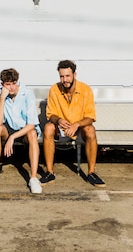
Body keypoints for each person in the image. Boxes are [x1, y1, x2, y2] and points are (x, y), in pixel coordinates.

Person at [40, 59, 105, 187]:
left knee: (90, 129)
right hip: (61, 129)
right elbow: (50, 114)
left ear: (74, 75)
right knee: (48, 128)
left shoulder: (85, 90)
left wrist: (76, 125)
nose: (65, 80)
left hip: (79, 128)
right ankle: (49, 172)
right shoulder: (54, 89)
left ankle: (91, 172)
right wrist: (58, 120)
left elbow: (90, 117)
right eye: (62, 76)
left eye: (68, 76)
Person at [0, 68, 42, 194]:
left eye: (14, 83)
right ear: (2, 84)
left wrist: (12, 137)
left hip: (25, 129)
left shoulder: (27, 93)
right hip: (8, 127)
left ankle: (33, 178)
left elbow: (31, 124)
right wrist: (3, 99)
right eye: (8, 84)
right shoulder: (0, 94)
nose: (12, 87)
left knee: (32, 134)